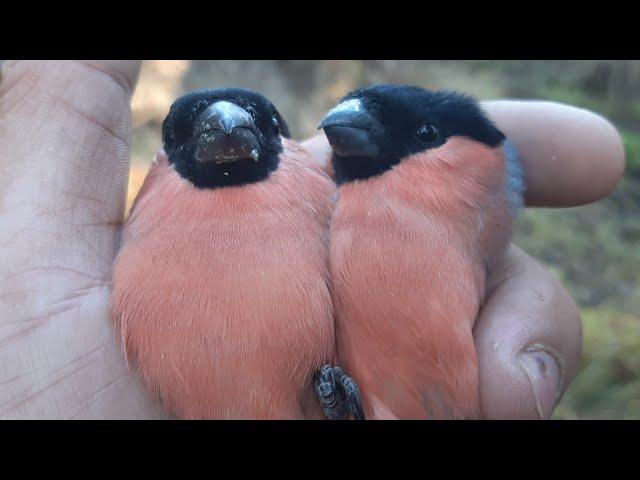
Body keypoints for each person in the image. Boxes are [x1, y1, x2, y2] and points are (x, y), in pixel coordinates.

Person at [0, 60, 625, 419]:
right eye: (189, 134)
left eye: (265, 127)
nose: (225, 131)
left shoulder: (346, 205)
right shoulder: (124, 263)